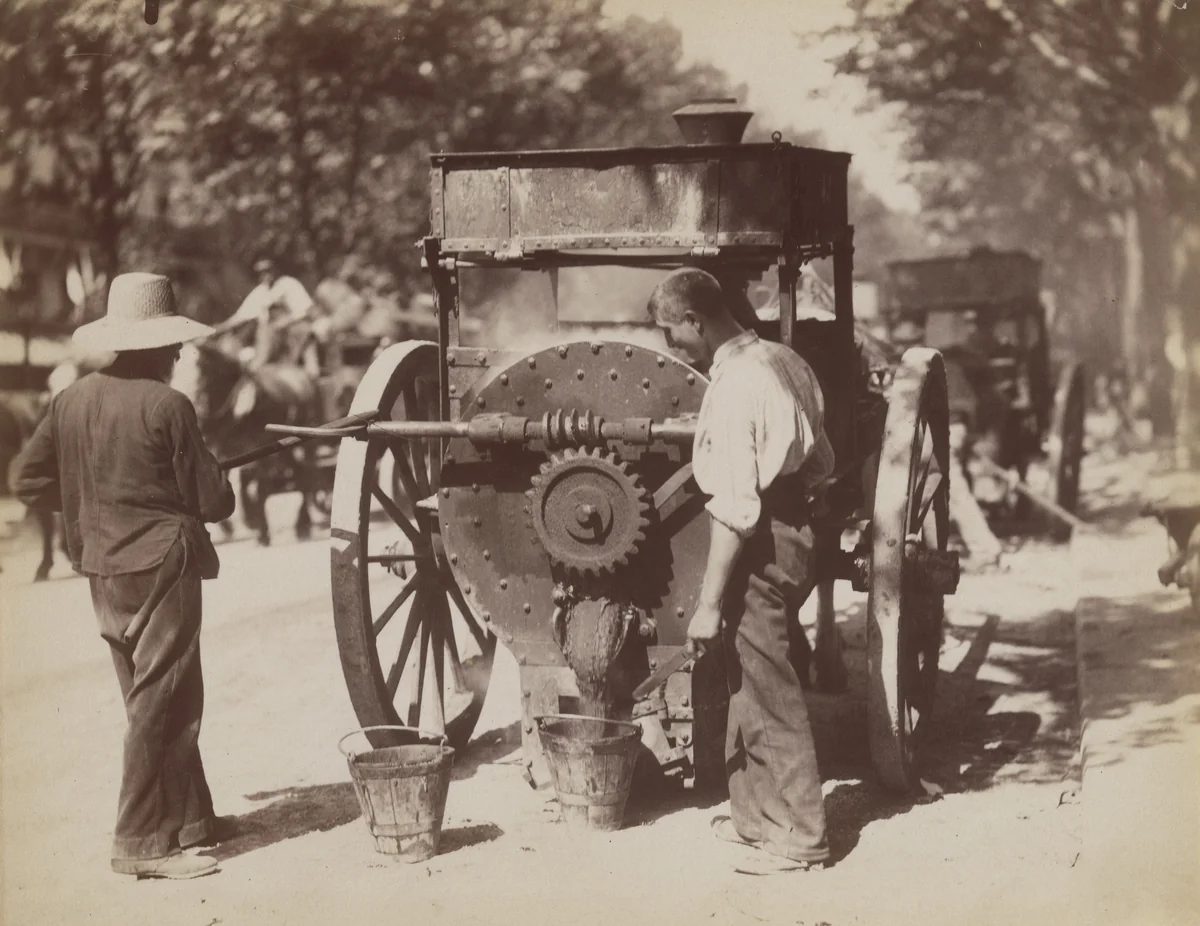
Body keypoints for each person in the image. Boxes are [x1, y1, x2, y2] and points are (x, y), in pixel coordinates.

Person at [13, 272, 236, 880]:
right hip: (162, 564)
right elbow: (216, 502)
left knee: (156, 695)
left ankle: (193, 821)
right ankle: (140, 842)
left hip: (101, 568)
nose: (180, 354)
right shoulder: (170, 405)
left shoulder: (71, 399)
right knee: (162, 701)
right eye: (176, 346)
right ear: (164, 347)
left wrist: (96, 500)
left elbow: (26, 481)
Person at [647, 267, 834, 875]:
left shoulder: (734, 390)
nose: (670, 346)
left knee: (769, 686)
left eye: (671, 333)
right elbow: (823, 459)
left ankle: (801, 837)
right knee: (746, 677)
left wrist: (706, 605)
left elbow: (733, 513)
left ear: (696, 322)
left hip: (761, 542)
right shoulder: (782, 359)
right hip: (795, 525)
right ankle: (754, 818)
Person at [219, 258, 320, 375]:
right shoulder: (260, 291)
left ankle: (313, 377)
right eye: (261, 273)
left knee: (309, 359)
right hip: (275, 335)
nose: (265, 275)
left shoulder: (288, 283)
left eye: (268, 271)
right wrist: (219, 328)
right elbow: (241, 316)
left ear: (274, 270)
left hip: (296, 329)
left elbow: (306, 310)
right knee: (259, 355)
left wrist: (286, 321)